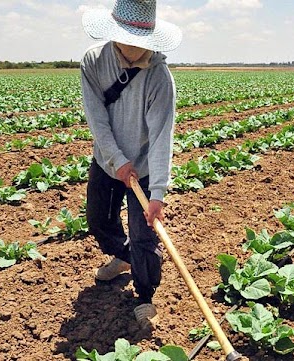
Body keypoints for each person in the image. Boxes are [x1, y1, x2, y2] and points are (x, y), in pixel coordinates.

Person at [80, 0, 182, 330]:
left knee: (145, 237)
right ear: (113, 34)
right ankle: (124, 258)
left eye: (142, 40)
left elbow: (161, 136)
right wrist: (118, 161)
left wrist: (157, 195)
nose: (136, 47)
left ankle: (145, 296)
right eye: (128, 39)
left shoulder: (159, 79)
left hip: (146, 166)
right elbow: (97, 119)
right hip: (108, 161)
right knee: (98, 221)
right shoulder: (93, 62)